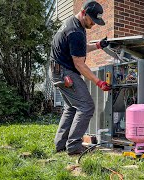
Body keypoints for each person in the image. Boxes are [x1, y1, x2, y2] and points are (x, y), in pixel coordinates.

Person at [50, 0, 111, 155]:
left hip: (58, 71)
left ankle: (60, 144)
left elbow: (79, 49)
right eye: (92, 20)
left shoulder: (73, 24)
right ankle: (74, 146)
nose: (94, 24)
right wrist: (99, 82)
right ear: (83, 12)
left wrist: (98, 45)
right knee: (86, 106)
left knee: (71, 107)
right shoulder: (76, 31)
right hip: (66, 73)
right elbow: (79, 64)